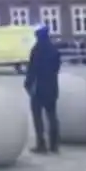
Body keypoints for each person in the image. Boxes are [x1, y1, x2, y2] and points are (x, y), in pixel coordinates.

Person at [24, 25, 61, 154]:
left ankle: (41, 144)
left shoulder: (36, 50)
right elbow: (57, 68)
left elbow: (32, 69)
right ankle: (54, 144)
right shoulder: (54, 50)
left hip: (38, 88)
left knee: (37, 117)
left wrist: (27, 84)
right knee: (52, 116)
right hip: (52, 87)